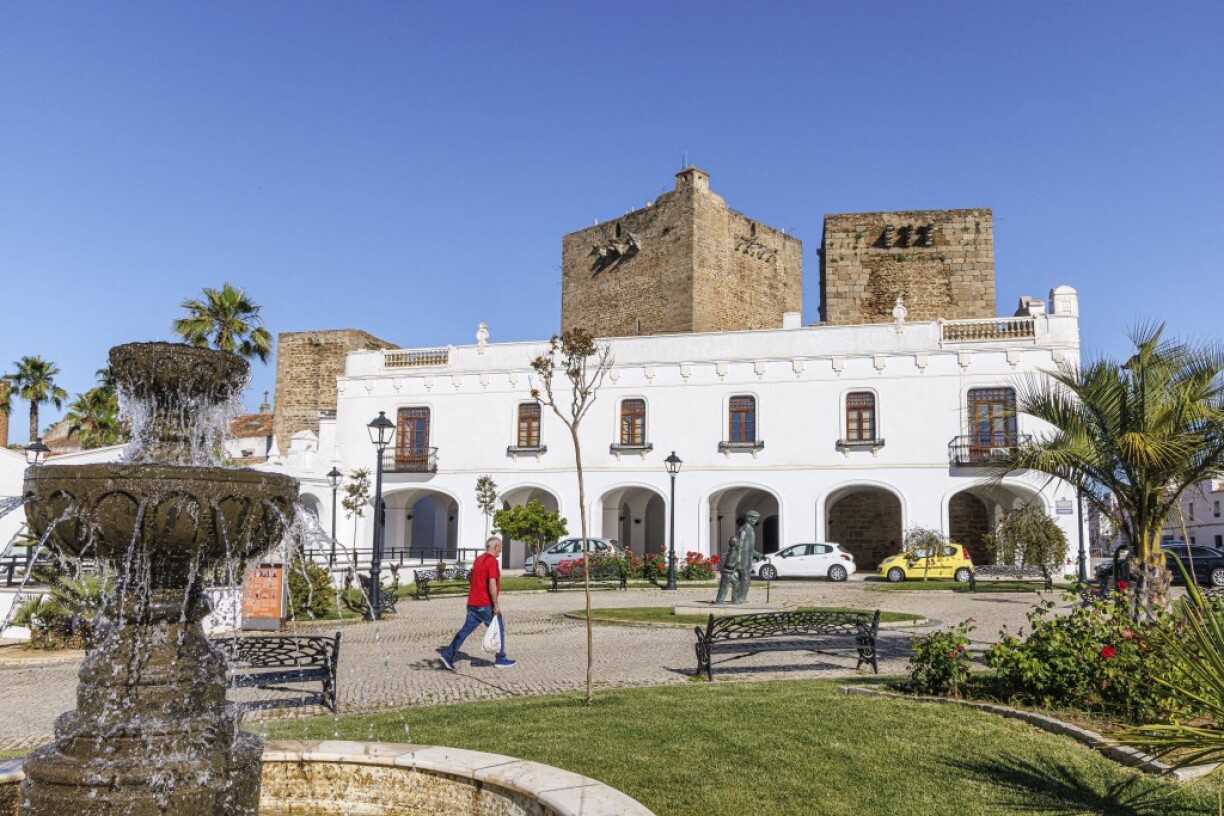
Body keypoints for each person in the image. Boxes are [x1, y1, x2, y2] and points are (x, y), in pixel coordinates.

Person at [439, 536, 516, 670]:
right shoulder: (492, 561)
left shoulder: (478, 560)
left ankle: (447, 655)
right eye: (501, 548)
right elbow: (492, 583)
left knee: (465, 630)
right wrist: (496, 605)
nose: (501, 551)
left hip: (473, 603)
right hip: (485, 604)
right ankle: (501, 658)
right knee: (499, 628)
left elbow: (472, 578)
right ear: (495, 547)